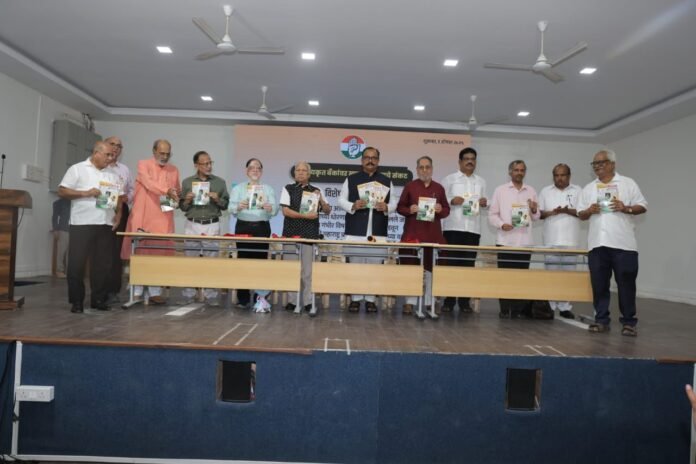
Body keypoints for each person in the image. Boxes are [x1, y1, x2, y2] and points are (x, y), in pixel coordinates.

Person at [577, 149, 647, 337]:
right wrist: (589, 210)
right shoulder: (589, 188)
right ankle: (601, 320)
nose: (597, 166)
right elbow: (580, 214)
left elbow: (642, 206)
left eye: (602, 162)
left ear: (612, 164)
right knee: (599, 285)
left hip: (623, 244)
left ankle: (629, 322)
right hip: (597, 244)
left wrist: (626, 208)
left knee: (626, 285)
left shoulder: (628, 183)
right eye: (595, 163)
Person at [58, 141, 122, 313]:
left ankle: (98, 300)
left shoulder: (113, 174)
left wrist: (119, 214)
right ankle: (77, 302)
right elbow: (62, 191)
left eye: (112, 155)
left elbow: (119, 198)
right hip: (82, 223)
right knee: (76, 264)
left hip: (105, 223)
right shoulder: (77, 169)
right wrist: (84, 193)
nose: (111, 158)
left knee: (102, 265)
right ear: (96, 153)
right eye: (108, 154)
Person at [337, 147, 397, 313]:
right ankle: (355, 299)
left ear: (378, 161)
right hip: (355, 231)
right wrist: (353, 205)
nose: (370, 160)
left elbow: (394, 203)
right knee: (354, 267)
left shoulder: (387, 181)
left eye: (374, 158)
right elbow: (340, 200)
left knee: (375, 268)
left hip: (378, 232)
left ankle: (371, 300)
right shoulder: (351, 179)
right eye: (367, 157)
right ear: (362, 160)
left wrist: (387, 207)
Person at [121, 139, 181, 305]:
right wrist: (167, 190)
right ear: (154, 151)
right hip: (144, 215)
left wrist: (178, 196)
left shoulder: (173, 169)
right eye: (162, 153)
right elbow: (148, 183)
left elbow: (176, 190)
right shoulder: (144, 164)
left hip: (163, 216)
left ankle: (155, 291)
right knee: (140, 253)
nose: (165, 156)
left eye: (168, 154)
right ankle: (137, 291)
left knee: (159, 254)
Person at [397, 156, 449, 315]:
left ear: (432, 169)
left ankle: (429, 302)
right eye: (421, 167)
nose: (424, 170)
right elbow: (400, 207)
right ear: (417, 169)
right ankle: (409, 302)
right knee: (410, 269)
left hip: (433, 236)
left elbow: (447, 210)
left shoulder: (439, 188)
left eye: (427, 167)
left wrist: (440, 209)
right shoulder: (410, 186)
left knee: (432, 271)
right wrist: (410, 209)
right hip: (412, 235)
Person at [489, 160, 540, 318]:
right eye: (516, 170)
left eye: (522, 170)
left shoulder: (531, 190)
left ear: (525, 172)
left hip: (525, 242)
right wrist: (501, 224)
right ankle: (505, 310)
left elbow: (536, 217)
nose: (519, 173)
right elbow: (492, 215)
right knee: (504, 277)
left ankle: (517, 310)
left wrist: (534, 209)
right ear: (510, 172)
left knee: (521, 278)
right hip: (505, 241)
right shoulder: (500, 190)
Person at [440, 147, 488, 313]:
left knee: (468, 266)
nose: (470, 162)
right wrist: (452, 200)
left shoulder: (481, 181)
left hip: (473, 230)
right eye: (466, 159)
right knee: (451, 266)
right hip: (453, 228)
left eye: (472, 159)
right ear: (460, 161)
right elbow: (441, 200)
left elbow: (486, 202)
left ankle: (464, 302)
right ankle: (449, 300)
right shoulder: (449, 179)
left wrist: (485, 203)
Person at [280, 161, 331, 312]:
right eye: (298, 170)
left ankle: (308, 301)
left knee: (308, 272)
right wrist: (305, 216)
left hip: (309, 235)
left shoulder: (316, 190)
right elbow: (286, 211)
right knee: (291, 270)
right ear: (294, 173)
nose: (301, 173)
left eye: (304, 170)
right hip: (291, 234)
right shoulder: (287, 188)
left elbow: (327, 210)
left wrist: (321, 200)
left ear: (309, 174)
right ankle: (292, 301)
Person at [179, 151, 229, 306]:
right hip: (192, 224)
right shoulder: (187, 182)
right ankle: (189, 293)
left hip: (212, 224)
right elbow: (182, 207)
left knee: (211, 261)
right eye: (205, 163)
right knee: (190, 261)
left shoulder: (220, 182)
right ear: (196, 165)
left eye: (210, 163)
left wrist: (217, 199)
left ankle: (210, 294)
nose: (208, 166)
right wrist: (187, 200)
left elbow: (226, 205)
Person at [228, 158, 278, 312]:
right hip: (243, 227)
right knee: (243, 262)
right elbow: (230, 208)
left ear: (261, 171)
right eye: (251, 168)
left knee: (261, 263)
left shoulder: (268, 189)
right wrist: (238, 206)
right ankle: (243, 299)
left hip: (262, 227)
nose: (255, 170)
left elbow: (275, 210)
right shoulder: (238, 189)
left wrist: (270, 208)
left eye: (258, 168)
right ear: (246, 171)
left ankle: (260, 298)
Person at [538, 163, 582, 319]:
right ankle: (550, 306)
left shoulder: (578, 191)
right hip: (551, 240)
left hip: (571, 241)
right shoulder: (545, 191)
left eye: (563, 175)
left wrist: (567, 211)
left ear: (569, 176)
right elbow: (538, 214)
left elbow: (583, 213)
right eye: (556, 175)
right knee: (551, 276)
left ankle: (564, 307)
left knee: (568, 277)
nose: (559, 178)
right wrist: (552, 212)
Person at [104, 136, 134, 304]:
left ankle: (113, 290)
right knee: (101, 251)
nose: (115, 148)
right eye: (112, 144)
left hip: (120, 210)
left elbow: (131, 190)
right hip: (101, 210)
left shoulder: (124, 169)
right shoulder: (96, 167)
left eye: (119, 146)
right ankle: (99, 289)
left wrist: (126, 197)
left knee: (116, 252)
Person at [51, 197, 71, 278]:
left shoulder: (75, 202)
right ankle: (59, 270)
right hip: (63, 229)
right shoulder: (58, 203)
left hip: (75, 229)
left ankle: (70, 271)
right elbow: (55, 217)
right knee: (61, 251)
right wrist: (55, 229)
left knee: (72, 253)